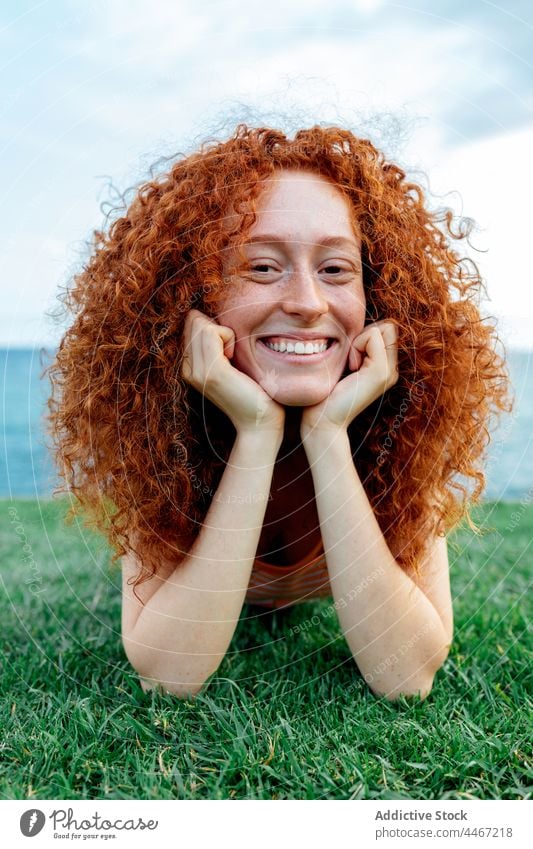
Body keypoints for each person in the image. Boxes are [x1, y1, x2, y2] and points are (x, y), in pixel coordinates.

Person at [46, 123, 510, 702]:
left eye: (336, 269)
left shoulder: (403, 429)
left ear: (376, 298)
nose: (306, 303)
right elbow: (168, 676)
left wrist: (329, 430)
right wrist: (257, 430)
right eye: (262, 267)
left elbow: (407, 676)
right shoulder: (159, 431)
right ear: (193, 299)